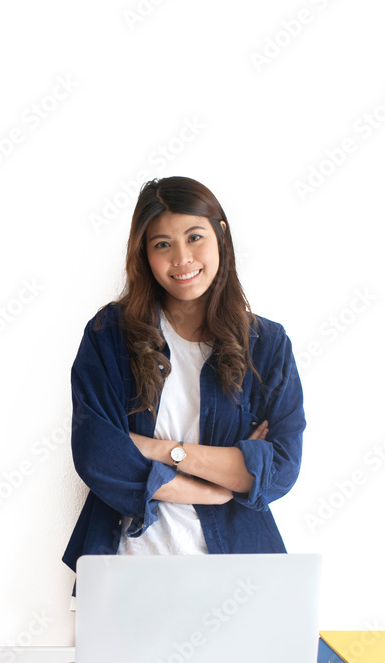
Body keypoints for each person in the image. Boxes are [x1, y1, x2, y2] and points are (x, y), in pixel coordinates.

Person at [62, 176, 306, 600]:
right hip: (128, 571)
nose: (181, 259)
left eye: (195, 237)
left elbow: (280, 470)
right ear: (144, 254)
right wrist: (215, 487)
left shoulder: (267, 344)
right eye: (162, 245)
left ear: (220, 234)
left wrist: (160, 450)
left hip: (239, 575)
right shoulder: (109, 334)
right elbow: (96, 453)